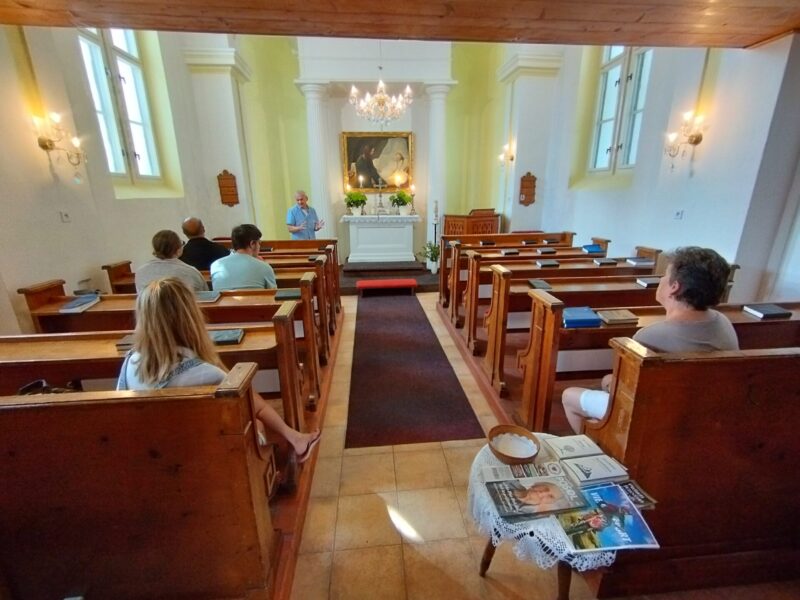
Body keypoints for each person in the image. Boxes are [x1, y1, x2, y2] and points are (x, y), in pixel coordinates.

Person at [117, 277, 321, 462]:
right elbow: (250, 410)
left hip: (145, 455)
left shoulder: (129, 363)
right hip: (201, 458)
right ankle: (294, 439)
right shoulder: (207, 374)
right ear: (189, 317)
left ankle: (295, 438)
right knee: (254, 419)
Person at [562, 246, 740, 433]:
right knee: (608, 380)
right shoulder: (724, 323)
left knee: (570, 396)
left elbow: (627, 392)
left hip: (657, 416)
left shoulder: (650, 336)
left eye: (665, 274)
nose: (661, 279)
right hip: (708, 415)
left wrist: (609, 383)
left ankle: (601, 453)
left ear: (674, 286)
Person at [135, 229, 208, 293]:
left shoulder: (140, 272)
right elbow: (206, 297)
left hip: (150, 308)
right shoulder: (191, 272)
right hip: (184, 308)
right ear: (178, 249)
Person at [209, 224, 276, 291]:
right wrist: (261, 264)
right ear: (252, 244)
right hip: (254, 301)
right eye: (259, 243)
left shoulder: (215, 266)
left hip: (225, 302)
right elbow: (274, 294)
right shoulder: (265, 267)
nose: (259, 246)